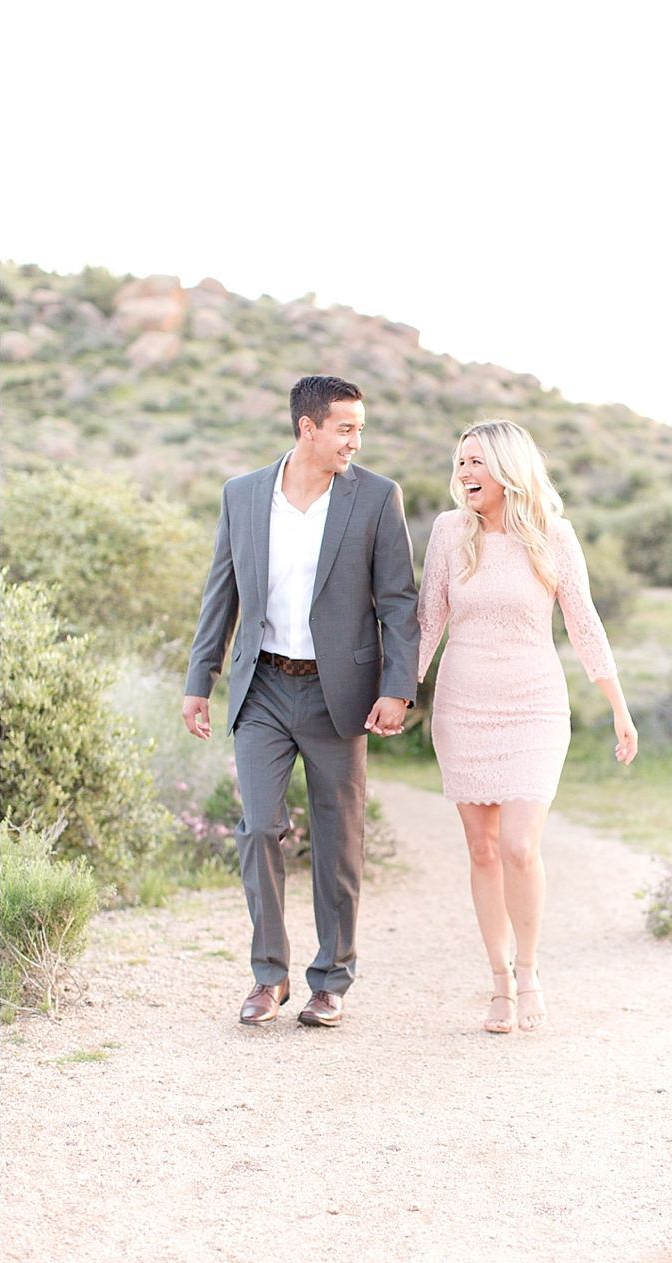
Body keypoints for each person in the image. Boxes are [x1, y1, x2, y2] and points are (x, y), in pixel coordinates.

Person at [184, 374, 420, 1028]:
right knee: (259, 826)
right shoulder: (244, 494)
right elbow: (221, 593)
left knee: (338, 839)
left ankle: (330, 978)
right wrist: (198, 679)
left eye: (360, 429)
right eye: (345, 426)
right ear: (307, 427)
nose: (356, 439)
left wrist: (398, 687)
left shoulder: (376, 497)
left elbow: (398, 600)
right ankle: (270, 976)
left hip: (336, 692)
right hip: (261, 686)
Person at [417, 419, 637, 1034]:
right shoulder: (447, 532)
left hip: (535, 705)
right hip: (463, 704)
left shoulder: (553, 535)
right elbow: (428, 618)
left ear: (509, 470)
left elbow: (584, 622)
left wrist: (618, 706)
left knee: (519, 844)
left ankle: (530, 970)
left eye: (477, 463)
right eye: (460, 463)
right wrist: (397, 692)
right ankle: (498, 984)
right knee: (483, 848)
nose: (464, 475)